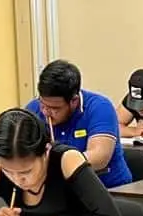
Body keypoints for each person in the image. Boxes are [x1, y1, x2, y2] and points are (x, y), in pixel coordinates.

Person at [0, 109, 121, 216]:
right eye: (9, 172)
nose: (17, 180)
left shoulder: (66, 161)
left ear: (46, 151)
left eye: (26, 172)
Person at [26, 60, 131, 188]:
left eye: (55, 108)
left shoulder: (99, 107)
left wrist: (51, 166)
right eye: (42, 103)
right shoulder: (34, 109)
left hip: (110, 189)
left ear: (74, 101)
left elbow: (99, 157)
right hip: (62, 192)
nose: (45, 112)